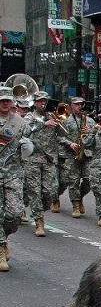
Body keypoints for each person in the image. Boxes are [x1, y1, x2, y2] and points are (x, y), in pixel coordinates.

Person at [0, 86, 34, 271]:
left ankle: (4, 236)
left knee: (14, 213)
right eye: (2, 100)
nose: (5, 103)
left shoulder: (20, 123)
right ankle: (1, 247)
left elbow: (30, 144)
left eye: (8, 100)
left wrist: (28, 146)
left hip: (13, 173)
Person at [24, 91, 60, 237]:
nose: (43, 103)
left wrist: (59, 122)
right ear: (35, 103)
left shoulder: (52, 116)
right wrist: (43, 124)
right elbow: (25, 132)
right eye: (40, 101)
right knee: (35, 191)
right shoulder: (29, 117)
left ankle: (27, 205)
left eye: (45, 101)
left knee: (50, 192)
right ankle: (39, 222)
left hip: (49, 159)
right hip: (32, 159)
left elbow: (64, 134)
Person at [56, 97, 95, 218]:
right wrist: (70, 143)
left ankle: (80, 197)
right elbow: (58, 136)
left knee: (89, 180)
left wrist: (91, 131)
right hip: (71, 154)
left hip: (86, 154)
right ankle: (75, 205)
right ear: (71, 106)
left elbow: (96, 138)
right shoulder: (66, 120)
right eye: (76, 104)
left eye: (81, 104)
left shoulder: (90, 121)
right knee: (73, 181)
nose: (79, 106)